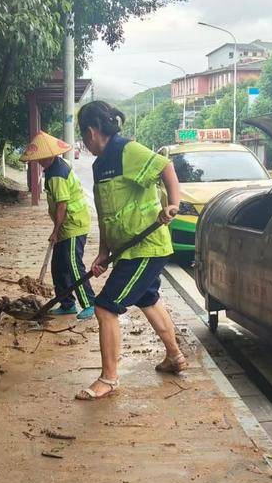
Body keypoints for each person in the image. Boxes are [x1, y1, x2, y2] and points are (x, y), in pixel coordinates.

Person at [75, 101, 187, 401]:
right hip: (127, 250)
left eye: (83, 137)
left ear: (90, 131)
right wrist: (102, 253)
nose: (85, 143)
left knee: (105, 307)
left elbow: (166, 167)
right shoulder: (100, 165)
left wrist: (172, 205)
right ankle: (175, 357)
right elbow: (106, 212)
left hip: (145, 248)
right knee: (148, 299)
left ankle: (109, 378)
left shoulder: (127, 150)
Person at [20, 131, 95, 320]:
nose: (39, 161)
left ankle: (89, 303)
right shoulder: (54, 168)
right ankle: (67, 303)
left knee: (73, 265)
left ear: (50, 155)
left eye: (41, 158)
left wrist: (55, 230)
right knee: (58, 266)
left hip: (73, 225)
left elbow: (62, 204)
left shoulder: (57, 175)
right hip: (65, 225)